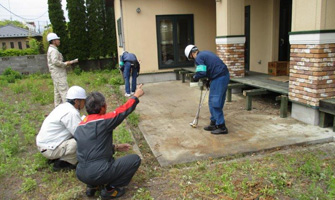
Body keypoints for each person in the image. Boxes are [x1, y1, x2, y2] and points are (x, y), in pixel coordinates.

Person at [74, 84, 144, 199]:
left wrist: (115, 147)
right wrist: (136, 96)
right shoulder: (103, 121)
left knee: (93, 163)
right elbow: (123, 111)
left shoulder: (80, 127)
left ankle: (92, 187)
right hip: (98, 172)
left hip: (81, 173)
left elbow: (91, 148)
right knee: (134, 160)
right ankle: (111, 189)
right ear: (103, 107)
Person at [36, 86, 87, 171]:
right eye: (83, 101)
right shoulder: (71, 113)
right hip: (49, 148)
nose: (84, 103)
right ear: (76, 101)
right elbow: (81, 135)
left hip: (45, 145)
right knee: (81, 143)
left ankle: (57, 156)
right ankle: (64, 163)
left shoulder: (63, 107)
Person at [185, 45, 230, 135]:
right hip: (220, 76)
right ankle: (214, 123)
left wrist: (195, 77)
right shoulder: (204, 53)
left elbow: (202, 72)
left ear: (191, 54)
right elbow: (211, 67)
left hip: (219, 78)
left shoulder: (198, 58)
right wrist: (209, 80)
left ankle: (221, 126)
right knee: (212, 101)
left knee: (215, 102)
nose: (193, 59)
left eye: (191, 58)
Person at [47, 32, 78, 107]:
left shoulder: (51, 49)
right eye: (57, 39)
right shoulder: (53, 50)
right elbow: (55, 61)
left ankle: (57, 109)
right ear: (53, 41)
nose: (59, 41)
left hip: (56, 74)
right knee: (64, 91)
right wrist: (65, 64)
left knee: (57, 93)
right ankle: (68, 109)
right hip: (59, 74)